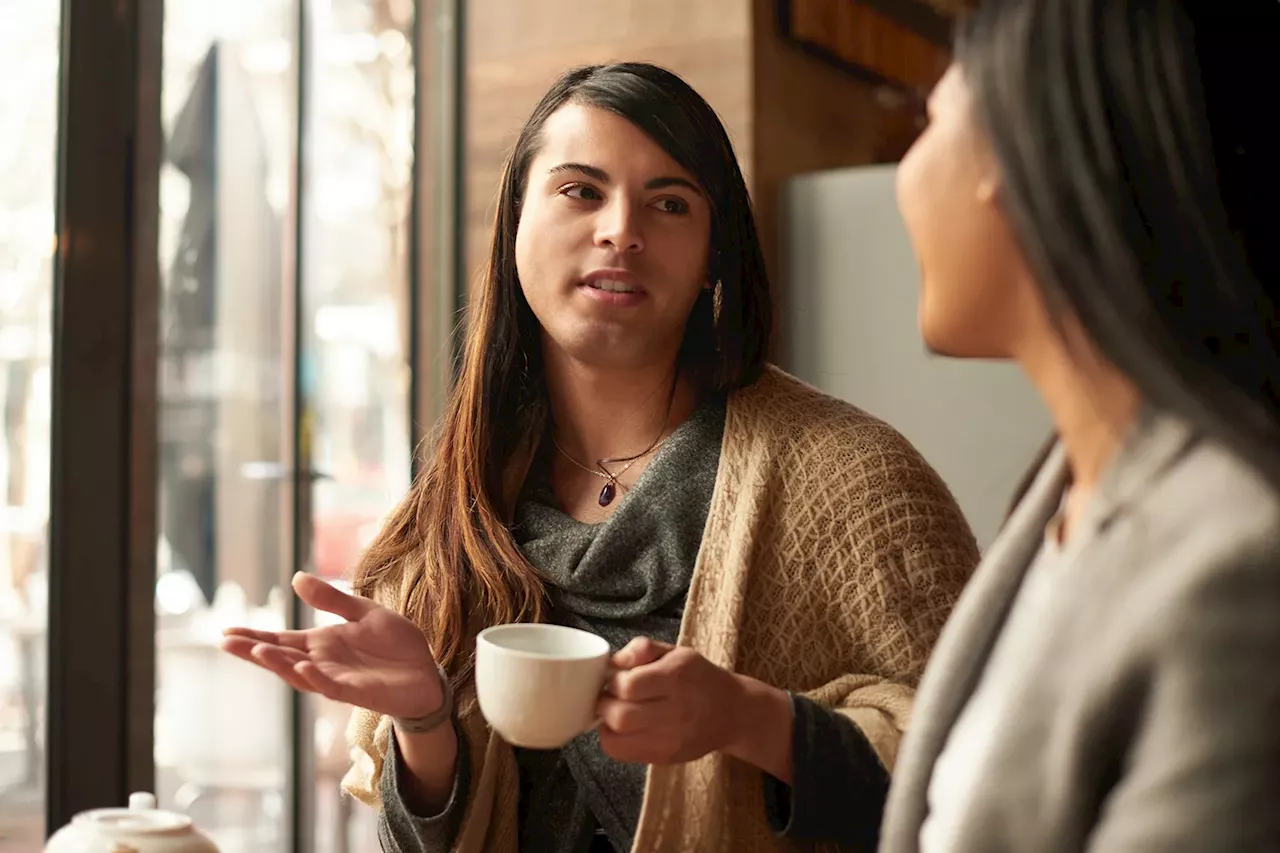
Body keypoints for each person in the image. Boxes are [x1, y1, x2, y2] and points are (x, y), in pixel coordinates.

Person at [223, 62, 978, 853]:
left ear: (715, 251)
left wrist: (750, 718)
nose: (621, 229)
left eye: (670, 202)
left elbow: (983, 773)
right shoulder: (461, 499)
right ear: (516, 220)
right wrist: (424, 721)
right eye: (581, 191)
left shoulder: (856, 479)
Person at [880, 2, 1280, 851]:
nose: (903, 177)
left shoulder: (1238, 567)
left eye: (931, 121)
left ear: (1018, 155)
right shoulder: (1067, 483)